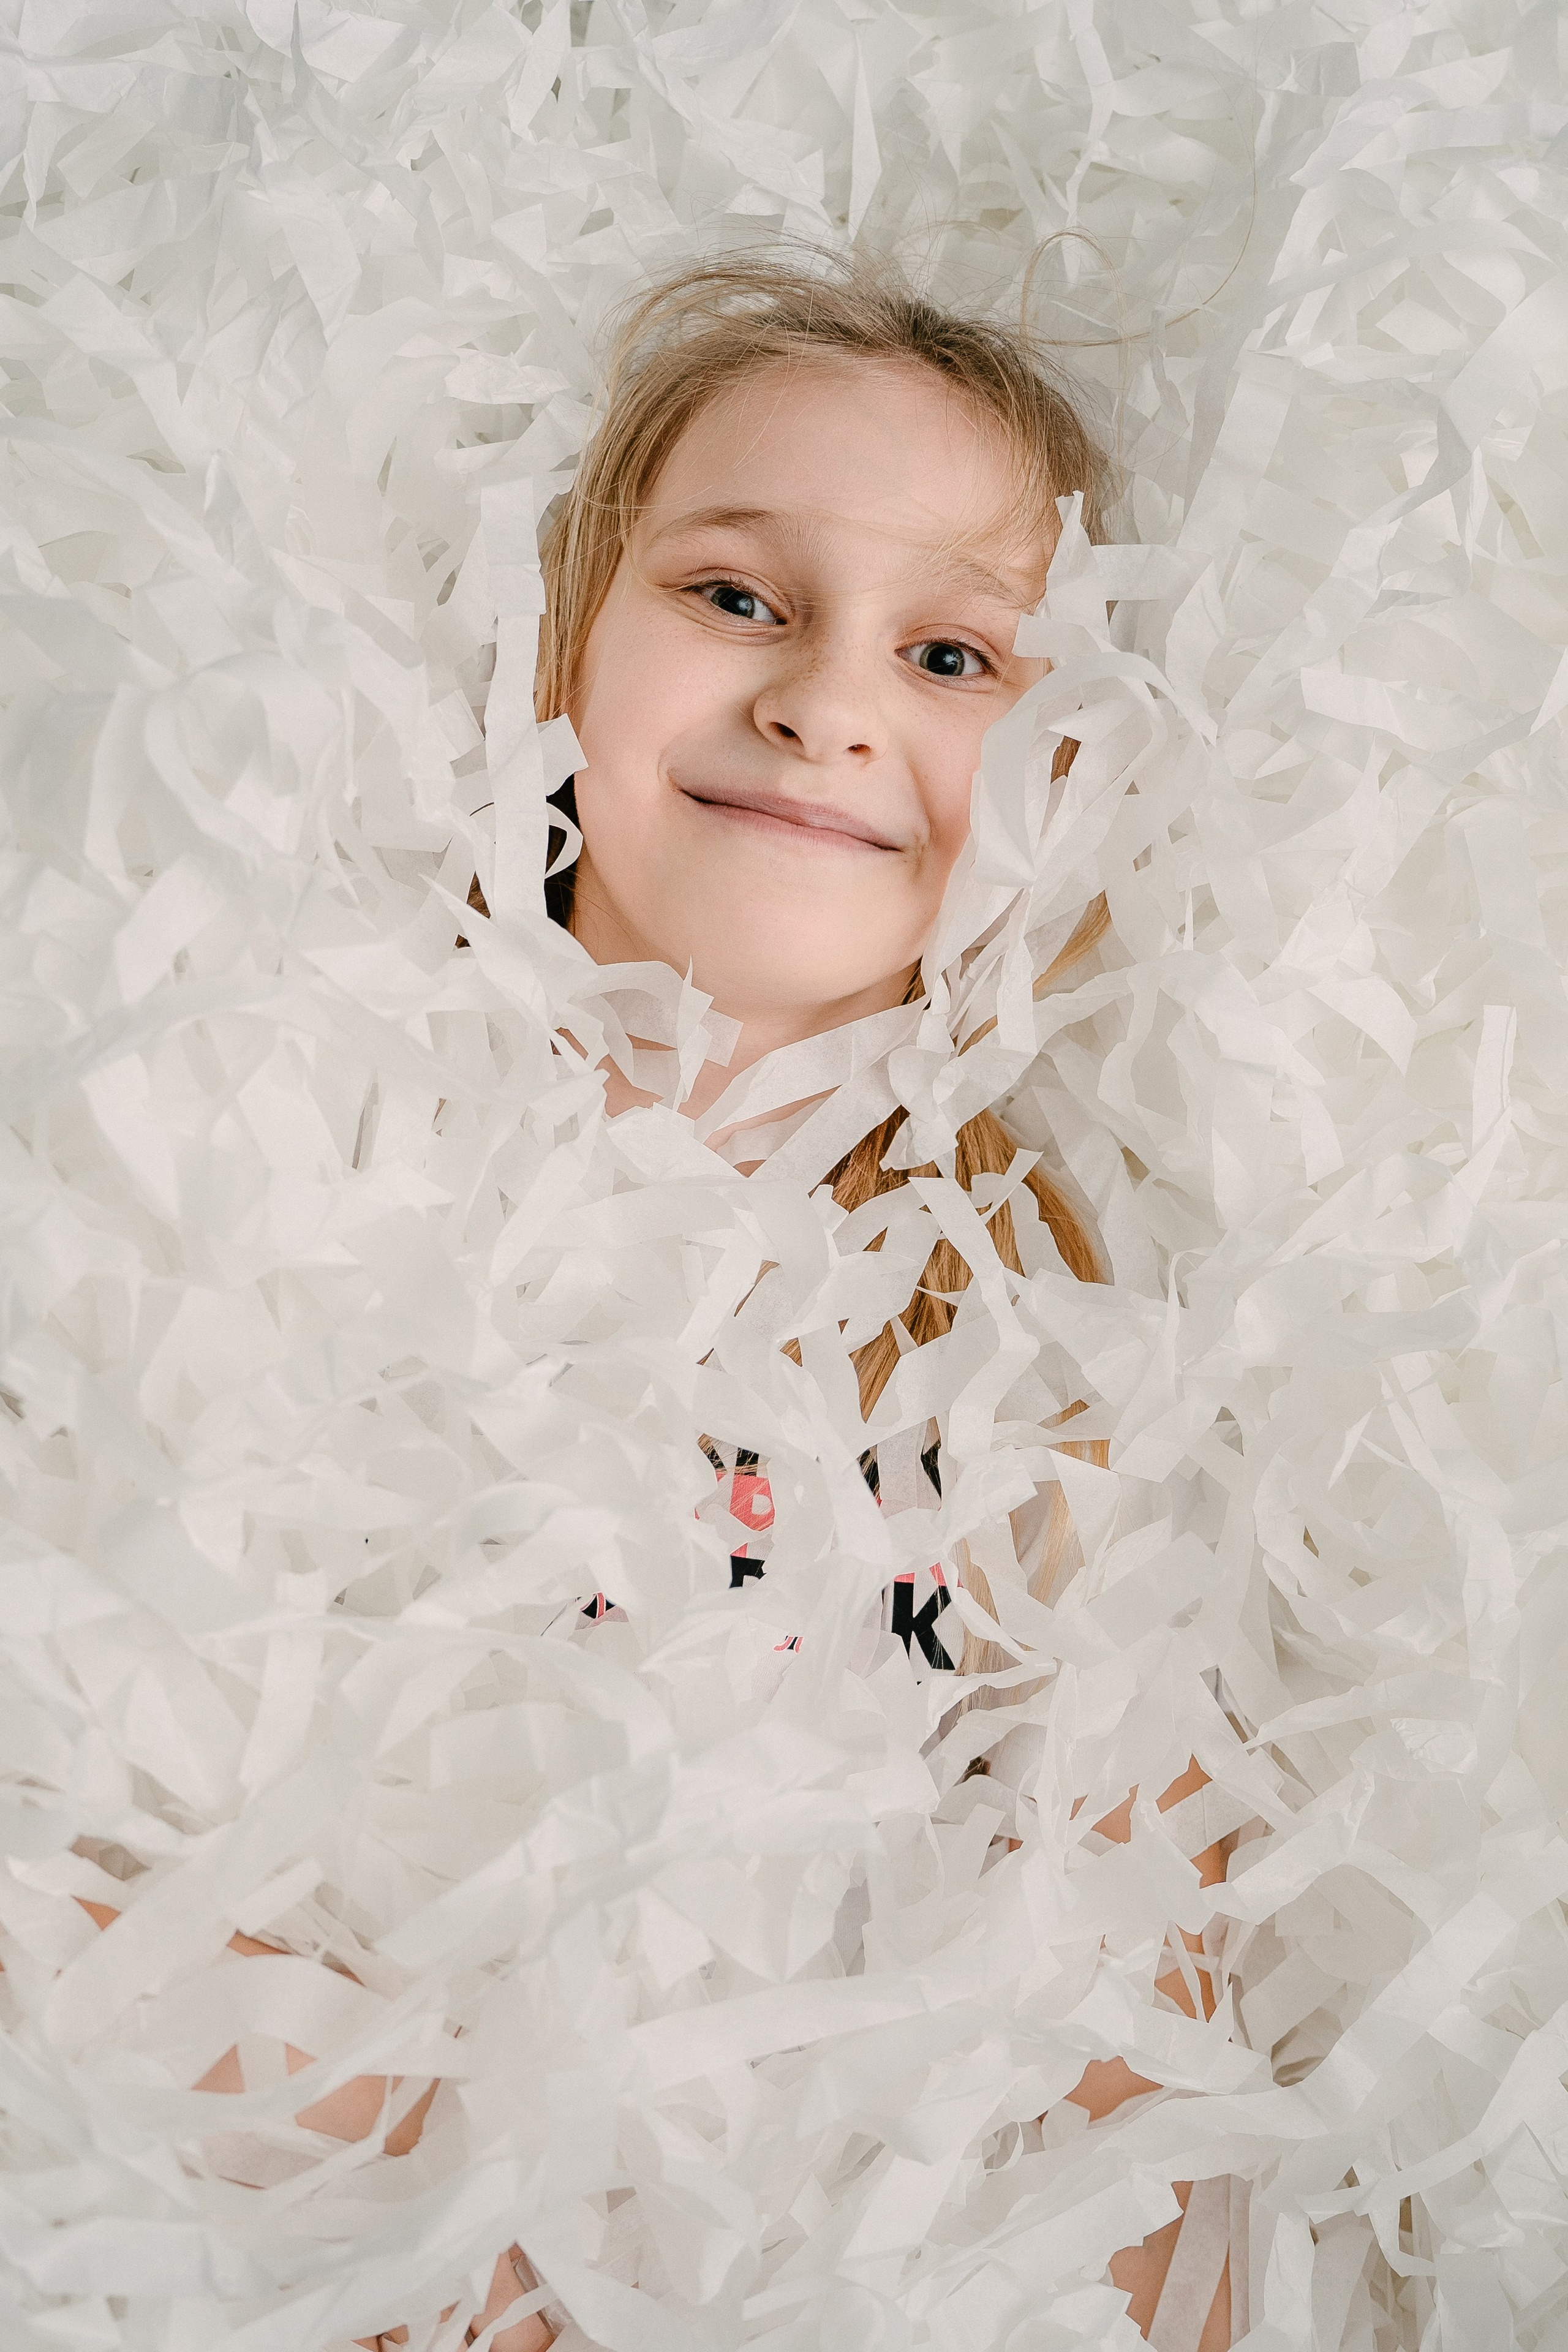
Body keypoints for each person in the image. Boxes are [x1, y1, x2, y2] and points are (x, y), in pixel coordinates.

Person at [81, 252, 1237, 2352]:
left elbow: (1157, 2104)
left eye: (958, 651)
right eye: (735, 594)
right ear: (565, 649)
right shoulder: (266, 1139)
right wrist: (457, 2223)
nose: (827, 700)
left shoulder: (1053, 1374)